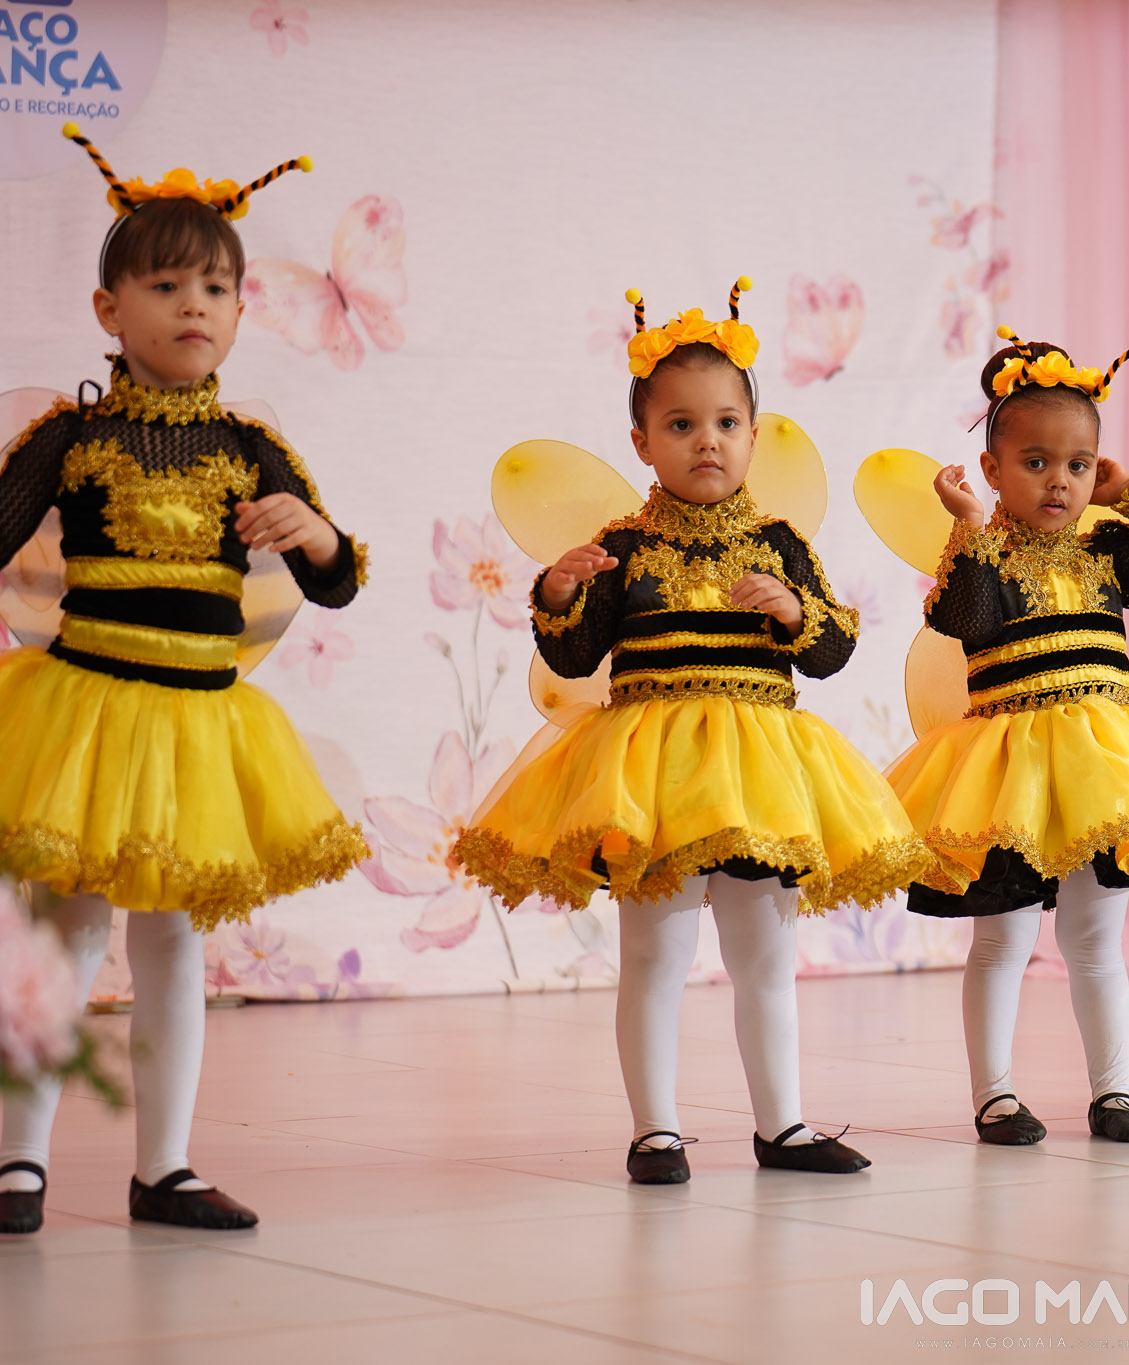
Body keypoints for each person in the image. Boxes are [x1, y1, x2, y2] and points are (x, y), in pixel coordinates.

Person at [454, 282, 929, 1182]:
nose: (706, 440)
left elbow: (833, 649)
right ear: (642, 441)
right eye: (680, 425)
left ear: (752, 434)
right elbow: (577, 653)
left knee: (765, 956)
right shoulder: (624, 547)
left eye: (725, 423)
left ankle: (783, 1126)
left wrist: (795, 612)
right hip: (654, 777)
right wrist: (558, 592)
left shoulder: (781, 542)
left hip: (759, 774)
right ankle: (655, 1130)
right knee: (655, 954)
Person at [0, 126, 369, 1234]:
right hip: (86, 710)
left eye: (215, 288)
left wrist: (313, 532)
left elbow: (340, 580)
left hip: (201, 722)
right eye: (165, 286)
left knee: (172, 939)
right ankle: (18, 1161)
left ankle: (164, 1167)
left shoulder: (252, 449)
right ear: (109, 309)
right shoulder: (69, 436)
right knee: (65, 934)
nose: (193, 306)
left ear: (243, 312)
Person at [882, 328, 1129, 1146]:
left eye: (1078, 464)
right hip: (1010, 772)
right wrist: (966, 525)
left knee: (1095, 937)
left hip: (1104, 769)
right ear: (992, 469)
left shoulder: (1105, 554)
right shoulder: (982, 559)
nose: (1059, 480)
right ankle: (995, 1095)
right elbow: (963, 619)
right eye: (1035, 462)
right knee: (1005, 935)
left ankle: (1114, 1092)